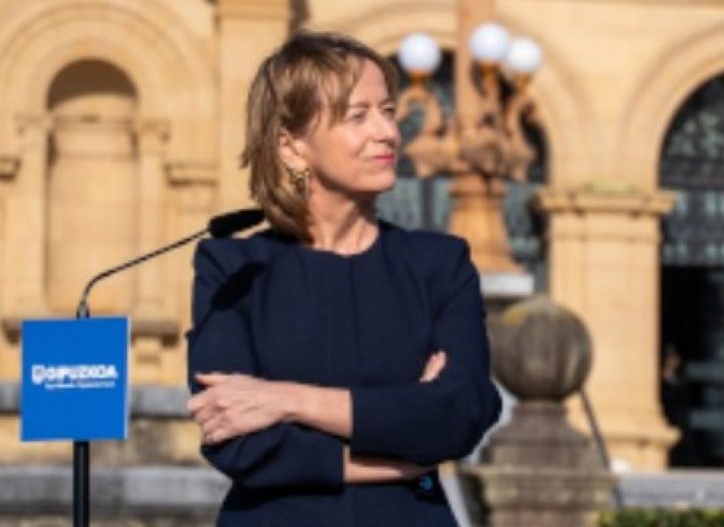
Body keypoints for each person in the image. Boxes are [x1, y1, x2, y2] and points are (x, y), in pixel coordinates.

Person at [186, 31, 502, 526]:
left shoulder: (439, 265)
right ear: (293, 147)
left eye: (388, 111)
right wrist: (405, 453)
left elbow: (460, 414)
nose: (388, 132)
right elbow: (239, 444)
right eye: (358, 116)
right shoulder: (233, 268)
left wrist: (285, 400)